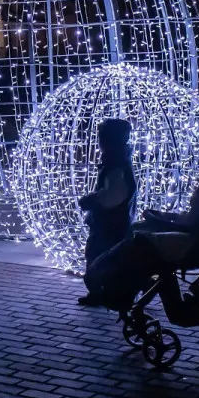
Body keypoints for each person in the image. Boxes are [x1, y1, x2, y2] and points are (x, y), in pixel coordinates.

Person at [77, 118, 138, 307]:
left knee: (100, 258)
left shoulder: (116, 164)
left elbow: (113, 195)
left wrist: (91, 200)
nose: (99, 141)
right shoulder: (117, 160)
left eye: (101, 137)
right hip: (113, 222)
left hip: (110, 224)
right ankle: (105, 292)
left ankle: (103, 293)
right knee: (105, 258)